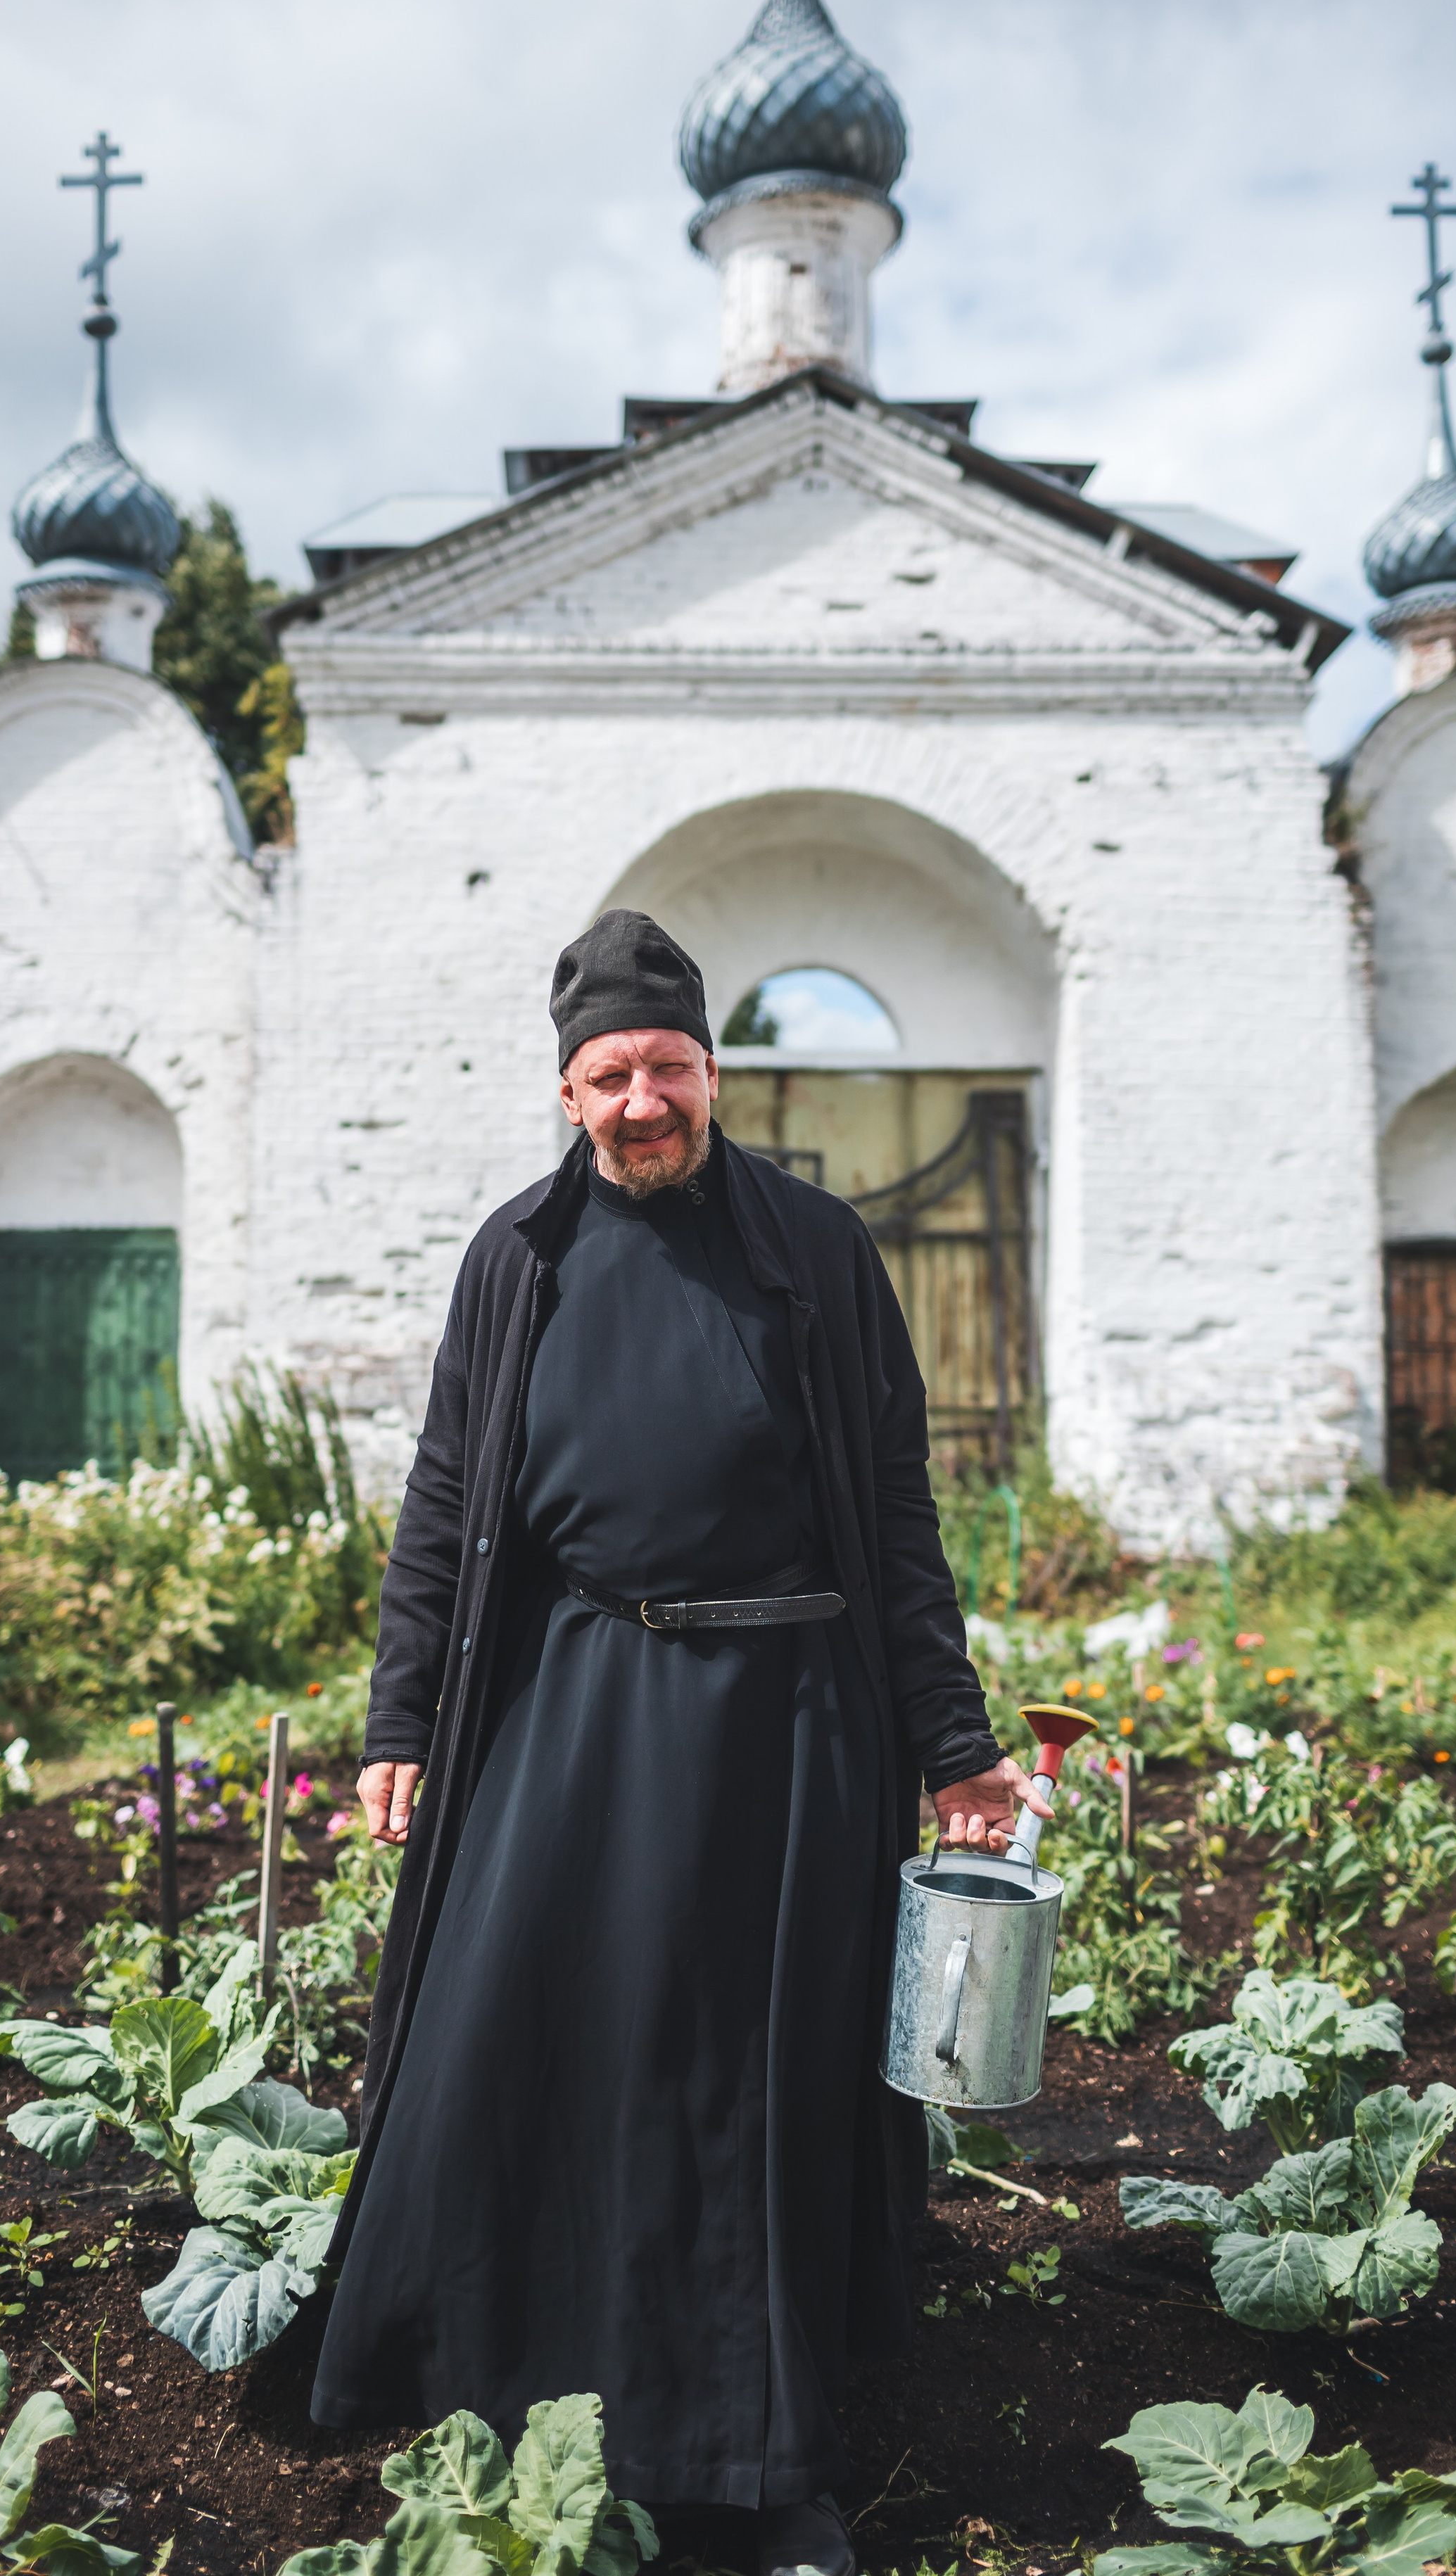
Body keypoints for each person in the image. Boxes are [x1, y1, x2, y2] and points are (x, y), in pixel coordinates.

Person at [310, 911, 1047, 2576]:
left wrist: (951, 1738)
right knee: (534, 2042)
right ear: (564, 1092)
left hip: (785, 1729)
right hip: (573, 1708)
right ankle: (515, 2394)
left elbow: (893, 1514)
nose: (637, 1100)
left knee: (749, 2088)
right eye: (603, 1076)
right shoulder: (519, 1257)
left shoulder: (813, 1248)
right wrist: (405, 1714)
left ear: (711, 1069)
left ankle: (752, 2460)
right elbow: (446, 1502)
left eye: (663, 1067)